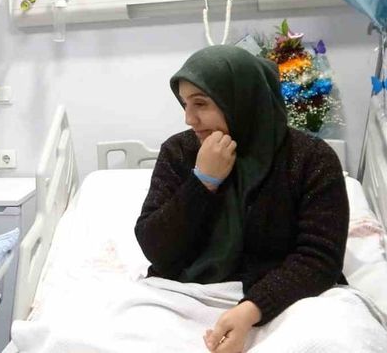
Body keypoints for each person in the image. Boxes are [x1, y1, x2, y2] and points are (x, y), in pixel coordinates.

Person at [135, 45, 349, 353]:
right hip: (184, 295)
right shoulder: (179, 153)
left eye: (200, 103)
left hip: (283, 298)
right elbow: (156, 248)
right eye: (184, 104)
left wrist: (251, 310)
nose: (189, 119)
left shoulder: (310, 159)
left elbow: (319, 259)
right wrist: (202, 183)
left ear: (242, 99)